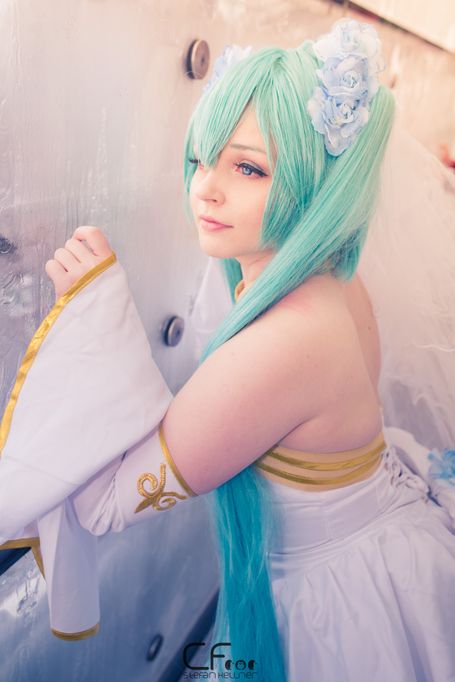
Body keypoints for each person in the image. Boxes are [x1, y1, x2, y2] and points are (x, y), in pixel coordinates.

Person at [0, 17, 454, 679]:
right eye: (201, 158)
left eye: (248, 167)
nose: (204, 187)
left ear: (315, 180)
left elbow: (102, 506)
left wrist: (96, 313)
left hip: (342, 604)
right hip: (388, 550)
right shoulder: (331, 280)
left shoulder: (282, 344)